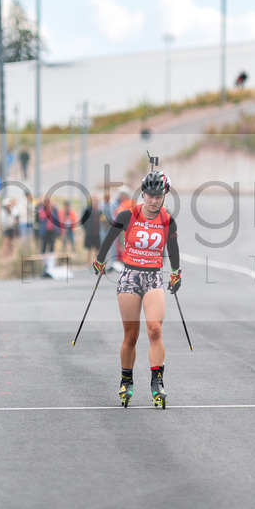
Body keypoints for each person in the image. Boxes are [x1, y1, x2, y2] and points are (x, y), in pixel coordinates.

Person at [93, 170, 181, 409]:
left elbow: (173, 248)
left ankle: (157, 383)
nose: (154, 200)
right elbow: (108, 239)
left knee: (155, 329)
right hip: (130, 277)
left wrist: (176, 272)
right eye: (150, 195)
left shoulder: (167, 220)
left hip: (153, 277)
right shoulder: (127, 215)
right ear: (143, 194)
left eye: (159, 196)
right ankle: (126, 380)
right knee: (131, 335)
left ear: (164, 196)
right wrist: (99, 260)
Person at [81, 195, 103, 266]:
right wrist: (86, 228)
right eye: (94, 201)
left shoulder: (99, 211)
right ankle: (88, 264)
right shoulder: (88, 210)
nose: (95, 202)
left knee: (97, 249)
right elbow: (82, 221)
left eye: (96, 201)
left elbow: (102, 220)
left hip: (97, 232)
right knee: (89, 249)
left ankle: (96, 263)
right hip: (89, 232)